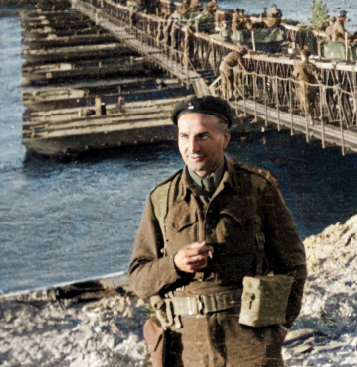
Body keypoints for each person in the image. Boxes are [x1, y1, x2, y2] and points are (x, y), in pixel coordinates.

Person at [129, 96, 306, 367]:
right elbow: (139, 280)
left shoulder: (258, 188)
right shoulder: (161, 198)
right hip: (187, 350)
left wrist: (276, 329)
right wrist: (175, 265)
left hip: (250, 346)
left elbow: (292, 264)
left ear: (226, 138)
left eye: (203, 136)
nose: (192, 147)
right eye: (184, 136)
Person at [292, 46, 318, 121]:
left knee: (306, 101)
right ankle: (311, 115)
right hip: (312, 86)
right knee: (312, 101)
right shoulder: (312, 65)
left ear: (302, 56)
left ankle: (310, 115)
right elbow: (316, 74)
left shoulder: (299, 65)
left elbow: (293, 75)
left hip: (303, 87)